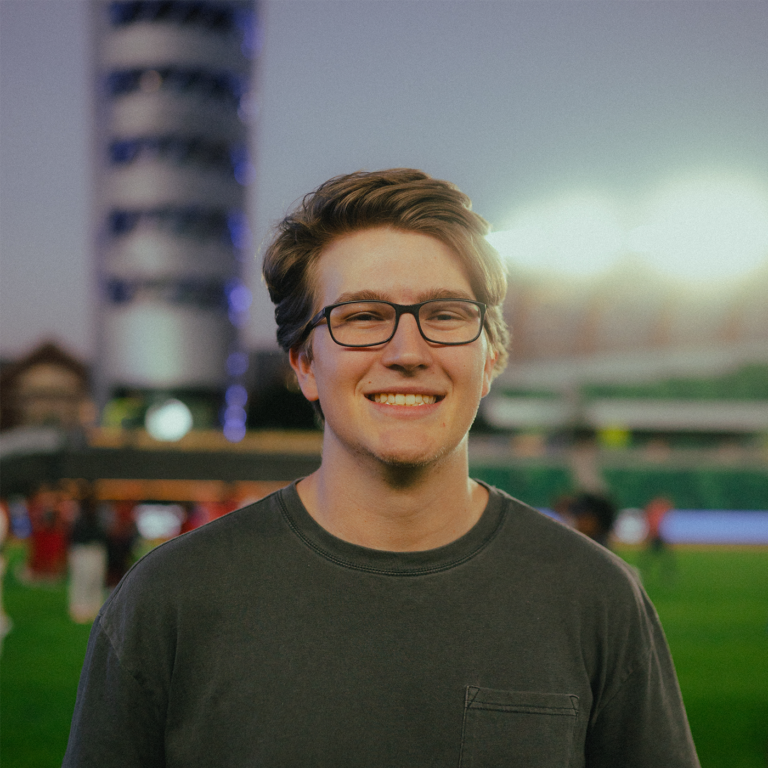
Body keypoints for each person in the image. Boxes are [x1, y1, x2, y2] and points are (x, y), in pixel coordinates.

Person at [64, 169, 699, 767]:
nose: (406, 352)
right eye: (363, 317)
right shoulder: (169, 599)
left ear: (491, 357)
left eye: (445, 314)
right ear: (305, 364)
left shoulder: (597, 597)